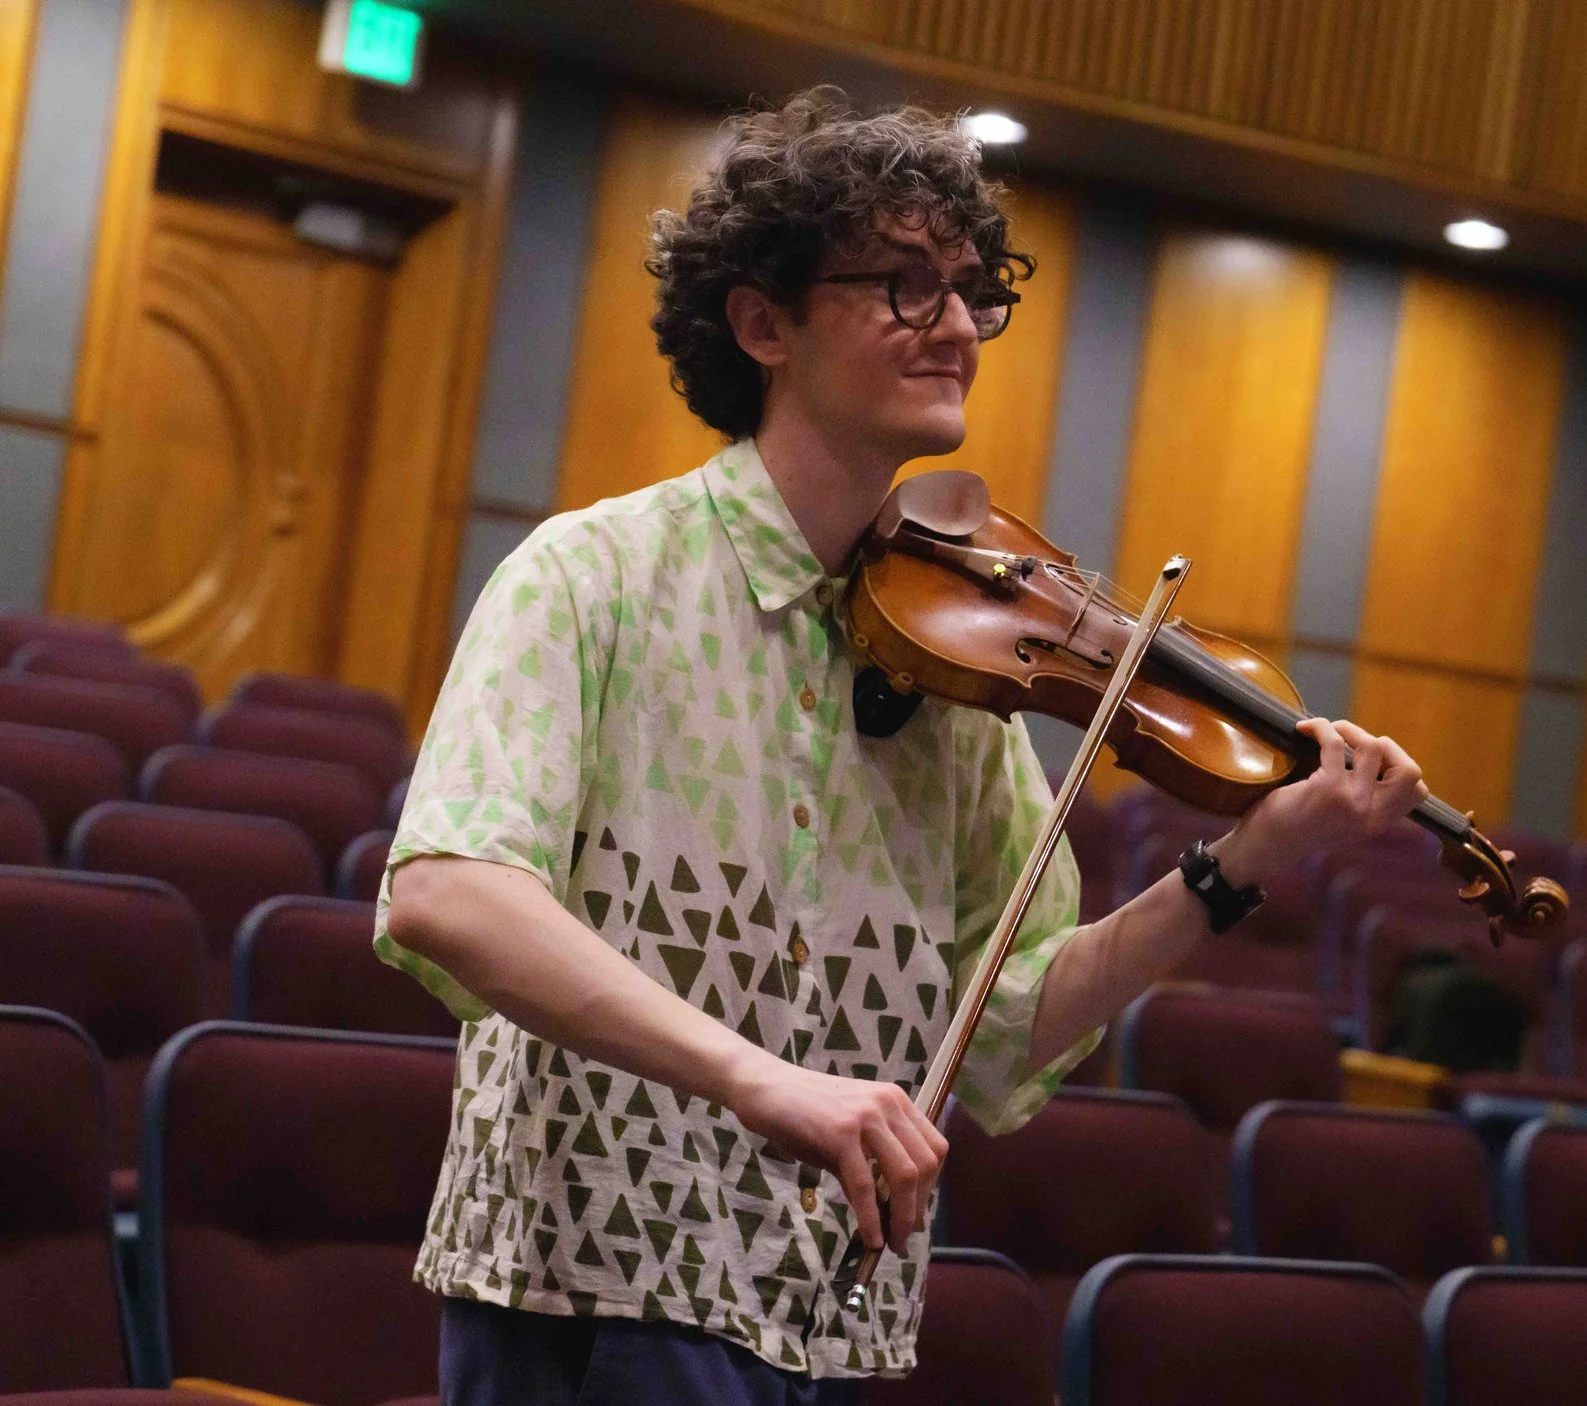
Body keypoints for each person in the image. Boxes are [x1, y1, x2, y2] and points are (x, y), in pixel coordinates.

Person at [377, 87, 1427, 1404]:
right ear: (763, 322)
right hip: (597, 1290)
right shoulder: (593, 578)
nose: (956, 325)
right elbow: (447, 889)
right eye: (903, 285)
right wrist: (770, 1085)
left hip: (829, 1313)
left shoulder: (958, 654)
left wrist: (1247, 856)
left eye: (971, 286)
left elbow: (1009, 1026)